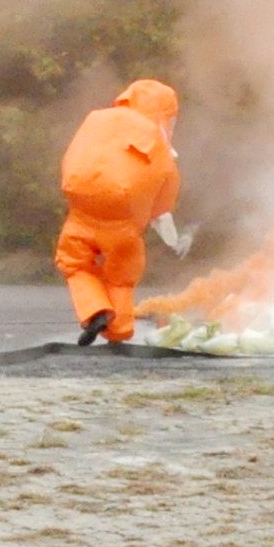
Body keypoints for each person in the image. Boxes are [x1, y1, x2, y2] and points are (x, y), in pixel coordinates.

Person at [55, 79, 183, 347]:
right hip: (124, 225)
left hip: (82, 212)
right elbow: (164, 200)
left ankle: (94, 310)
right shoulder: (159, 143)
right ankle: (119, 331)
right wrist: (169, 233)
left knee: (75, 264)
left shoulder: (96, 119)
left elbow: (73, 156)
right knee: (120, 279)